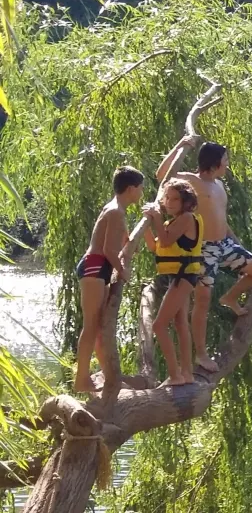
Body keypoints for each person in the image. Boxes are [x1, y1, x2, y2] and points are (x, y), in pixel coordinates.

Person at [156, 139, 252, 372]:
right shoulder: (191, 180)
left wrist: (235, 241)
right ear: (215, 162)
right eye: (225, 160)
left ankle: (229, 298)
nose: (228, 164)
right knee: (202, 301)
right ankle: (201, 355)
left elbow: (221, 216)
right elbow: (161, 175)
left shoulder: (219, 185)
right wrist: (180, 146)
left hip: (225, 243)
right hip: (203, 248)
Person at [73, 166, 145, 392]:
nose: (142, 192)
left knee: (99, 326)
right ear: (131, 189)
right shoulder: (115, 211)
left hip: (98, 269)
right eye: (141, 188)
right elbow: (108, 250)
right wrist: (123, 271)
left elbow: (121, 239)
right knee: (91, 326)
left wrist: (132, 242)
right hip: (95, 267)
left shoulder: (116, 210)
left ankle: (108, 374)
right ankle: (82, 379)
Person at [142, 179, 203, 386]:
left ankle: (175, 375)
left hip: (184, 275)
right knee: (179, 323)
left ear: (186, 201)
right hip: (176, 276)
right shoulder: (169, 223)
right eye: (166, 197)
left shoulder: (187, 218)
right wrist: (147, 225)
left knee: (159, 325)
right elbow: (155, 246)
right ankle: (186, 374)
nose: (169, 202)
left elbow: (167, 240)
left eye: (175, 198)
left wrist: (157, 217)